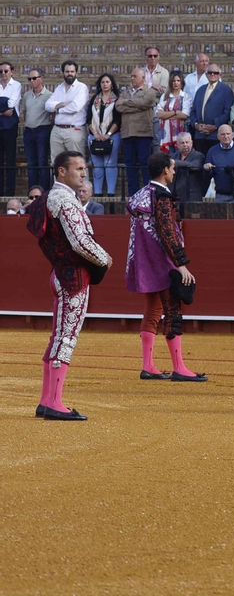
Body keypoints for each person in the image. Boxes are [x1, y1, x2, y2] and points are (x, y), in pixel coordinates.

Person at [28, 152, 112, 419]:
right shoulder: (65, 201)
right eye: (78, 169)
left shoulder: (51, 199)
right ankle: (54, 403)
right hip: (73, 278)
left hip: (60, 273)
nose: (84, 173)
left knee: (58, 336)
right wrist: (104, 258)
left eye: (85, 168)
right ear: (62, 172)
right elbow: (80, 242)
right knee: (66, 337)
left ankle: (46, 400)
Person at [125, 152, 204, 381]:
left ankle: (148, 365)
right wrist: (180, 264)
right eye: (172, 167)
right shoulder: (161, 197)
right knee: (173, 311)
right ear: (165, 170)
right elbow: (167, 232)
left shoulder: (142, 195)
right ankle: (179, 367)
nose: (174, 171)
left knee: (153, 311)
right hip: (162, 262)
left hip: (145, 261)